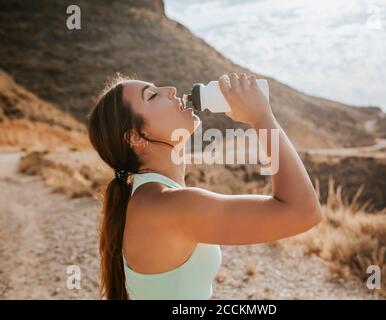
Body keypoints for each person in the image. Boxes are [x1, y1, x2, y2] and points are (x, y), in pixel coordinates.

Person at [87, 72, 323, 300]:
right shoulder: (166, 205)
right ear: (136, 137)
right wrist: (262, 118)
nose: (170, 90)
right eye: (152, 96)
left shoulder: (152, 197)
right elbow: (303, 212)